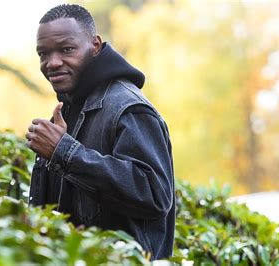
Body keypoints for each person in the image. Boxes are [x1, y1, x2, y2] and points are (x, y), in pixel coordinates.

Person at [26, 4, 175, 260]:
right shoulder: (70, 108)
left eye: (66, 49)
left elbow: (154, 195)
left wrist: (64, 152)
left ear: (95, 45)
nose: (52, 63)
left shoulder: (129, 108)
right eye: (43, 53)